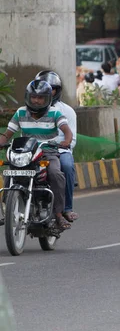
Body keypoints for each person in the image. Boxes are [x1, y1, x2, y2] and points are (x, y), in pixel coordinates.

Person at [0, 80, 73, 230]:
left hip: (48, 152)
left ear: (47, 98)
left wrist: (66, 141)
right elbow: (7, 135)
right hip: (26, 152)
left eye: (40, 98)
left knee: (55, 174)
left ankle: (58, 214)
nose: (36, 100)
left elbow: (67, 131)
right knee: (9, 172)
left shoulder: (55, 113)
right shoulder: (20, 112)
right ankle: (7, 210)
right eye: (33, 97)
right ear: (28, 97)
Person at [35, 71, 78, 222]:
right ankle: (10, 204)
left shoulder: (67, 111)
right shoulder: (30, 109)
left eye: (51, 88)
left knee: (66, 166)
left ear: (57, 91)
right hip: (36, 151)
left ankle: (67, 208)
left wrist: (63, 143)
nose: (47, 91)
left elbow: (71, 139)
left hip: (59, 150)